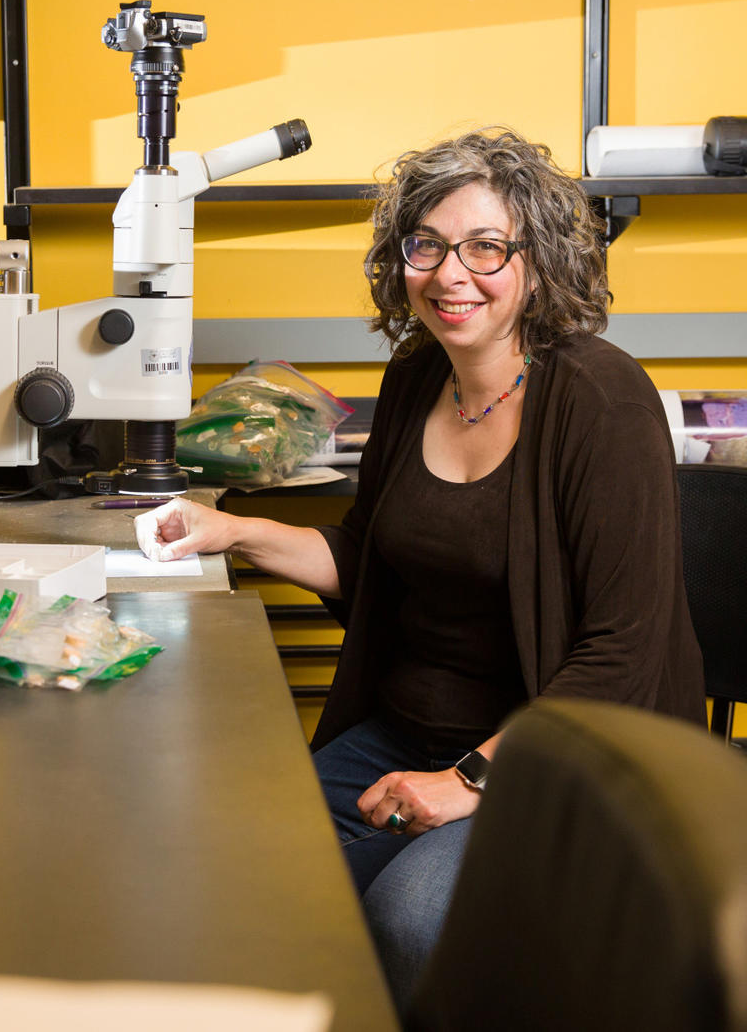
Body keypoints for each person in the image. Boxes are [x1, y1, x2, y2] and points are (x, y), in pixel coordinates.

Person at [134, 128, 706, 1013]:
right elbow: (369, 560)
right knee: (236, 871)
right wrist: (232, 529)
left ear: (538, 262)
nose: (450, 273)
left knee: (407, 918)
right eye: (426, 244)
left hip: (558, 764)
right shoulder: (415, 379)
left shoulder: (599, 397)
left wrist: (469, 780)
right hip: (406, 733)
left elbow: (622, 656)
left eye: (485, 246)